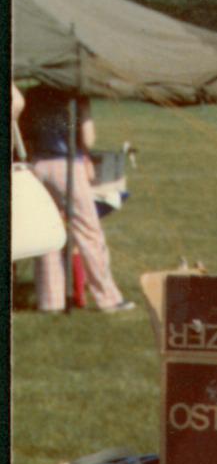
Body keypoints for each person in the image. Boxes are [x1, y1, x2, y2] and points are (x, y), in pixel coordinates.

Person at [17, 84, 132, 314]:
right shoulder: (76, 96)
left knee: (48, 232)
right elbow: (88, 139)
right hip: (66, 163)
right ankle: (108, 298)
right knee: (88, 230)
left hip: (38, 162)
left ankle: (50, 300)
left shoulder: (34, 94)